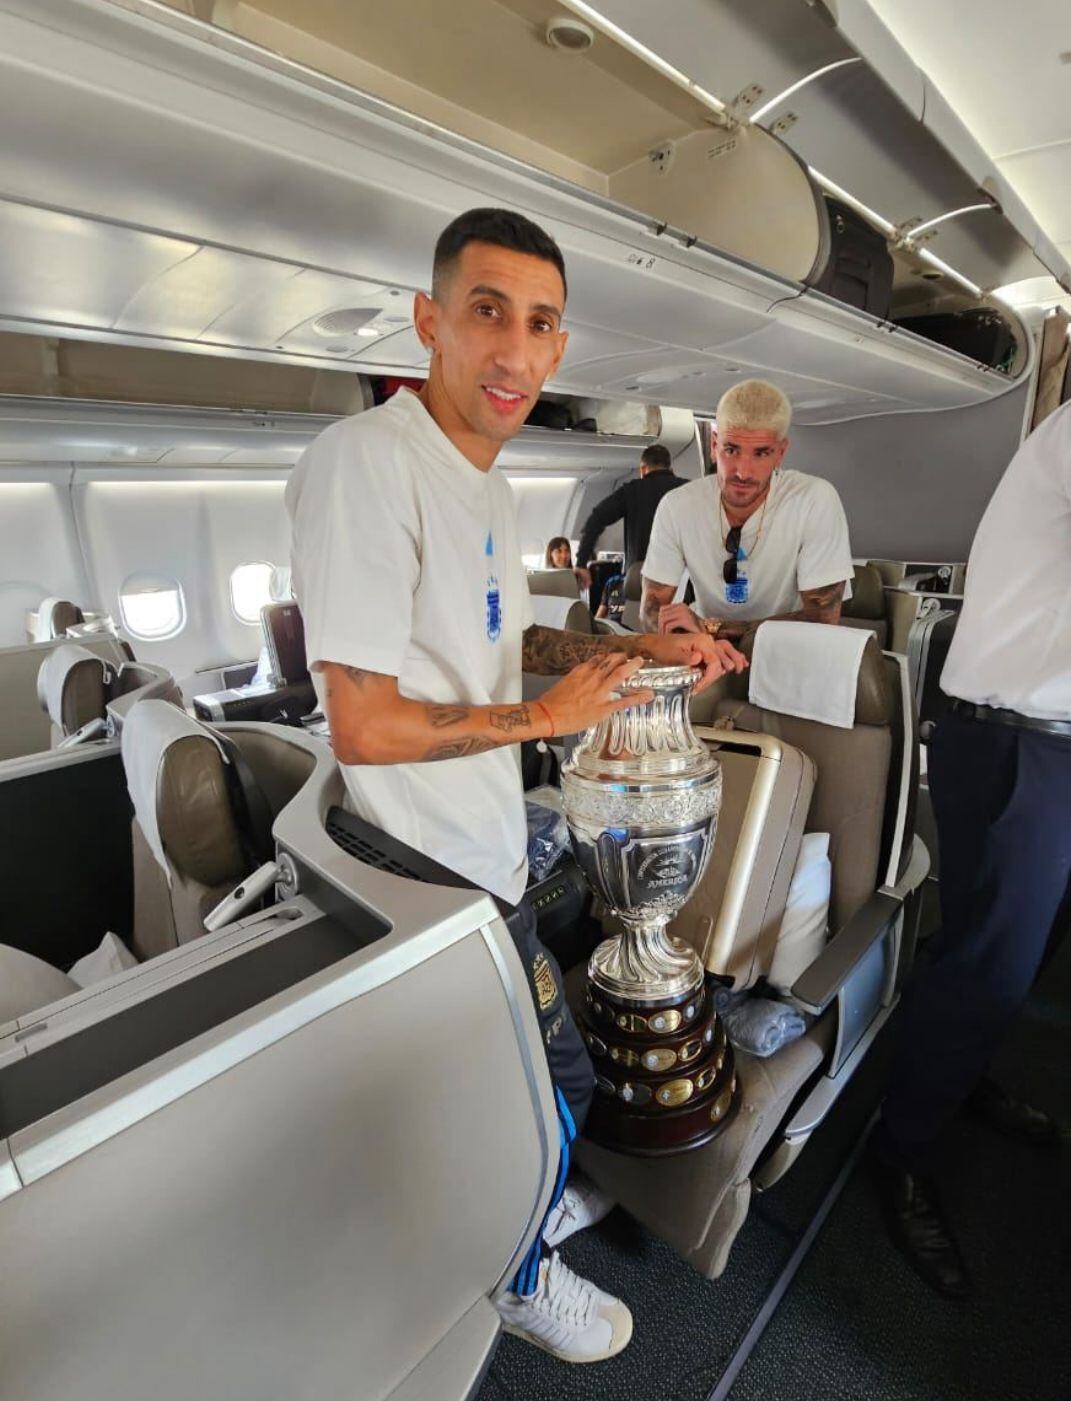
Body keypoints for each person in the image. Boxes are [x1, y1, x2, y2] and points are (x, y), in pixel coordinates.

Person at [286, 206, 745, 1364]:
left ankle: (516, 1218)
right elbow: (365, 722)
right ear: (429, 323)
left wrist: (636, 653)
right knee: (557, 1084)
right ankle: (521, 1272)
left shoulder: (487, 487)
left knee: (532, 1085)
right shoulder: (367, 467)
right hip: (424, 866)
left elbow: (496, 657)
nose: (514, 349)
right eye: (486, 312)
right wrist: (544, 722)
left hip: (482, 839)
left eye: (540, 323)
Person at [872, 286, 1071, 1300]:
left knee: (1015, 960)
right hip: (1025, 756)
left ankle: (953, 1076)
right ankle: (901, 1152)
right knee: (986, 968)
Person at [639, 380, 853, 642]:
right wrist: (689, 635)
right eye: (731, 450)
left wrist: (710, 628)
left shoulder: (813, 500)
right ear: (714, 445)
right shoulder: (677, 506)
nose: (742, 471)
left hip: (790, 654)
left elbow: (823, 618)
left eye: (761, 453)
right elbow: (651, 612)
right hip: (706, 656)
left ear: (780, 453)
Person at [573, 443, 686, 588]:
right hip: (679, 578)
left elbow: (596, 518)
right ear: (671, 469)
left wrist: (581, 562)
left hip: (640, 579)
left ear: (643, 469)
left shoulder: (631, 491)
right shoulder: (687, 490)